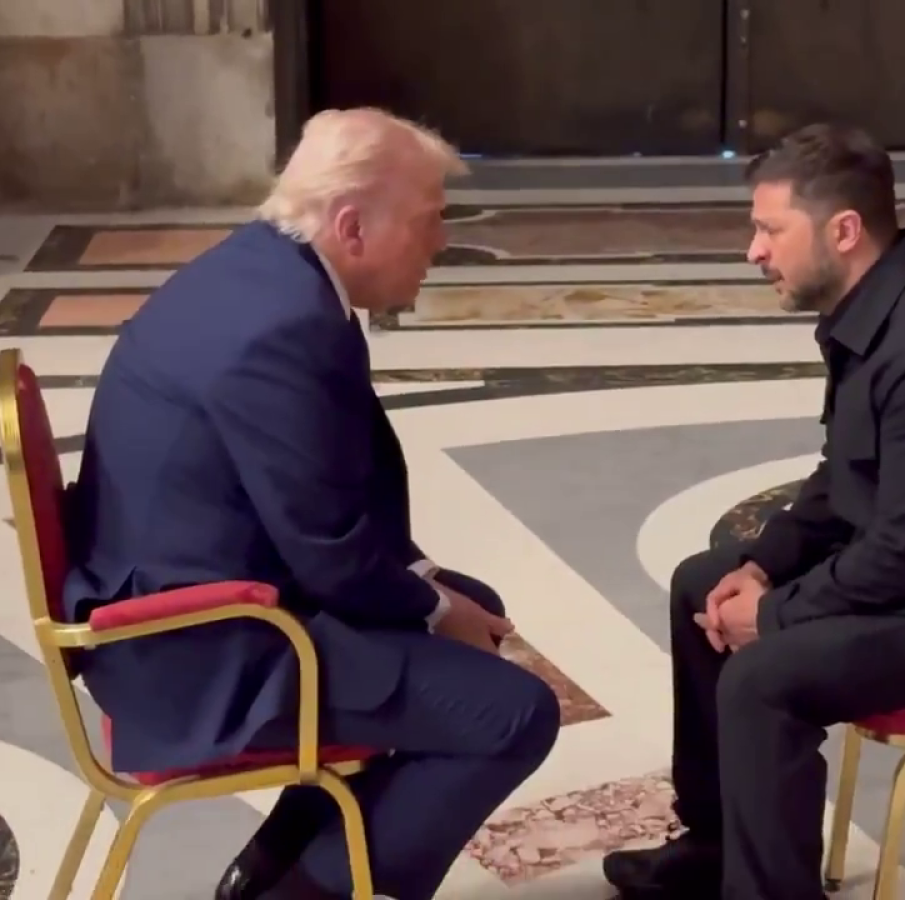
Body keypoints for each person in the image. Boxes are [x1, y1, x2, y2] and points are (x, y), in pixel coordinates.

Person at [63, 108, 561, 900]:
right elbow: (328, 549)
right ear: (352, 226)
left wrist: (429, 585)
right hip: (202, 646)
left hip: (201, 592)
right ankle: (316, 893)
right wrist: (433, 609)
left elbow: (321, 497)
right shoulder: (282, 326)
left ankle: (275, 865)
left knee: (473, 610)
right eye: (429, 221)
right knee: (514, 713)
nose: (441, 243)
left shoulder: (263, 273)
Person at [602, 123, 905, 900]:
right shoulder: (876, 313)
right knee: (702, 581)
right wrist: (763, 566)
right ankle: (716, 847)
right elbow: (844, 478)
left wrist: (775, 615)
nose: (753, 251)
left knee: (762, 678)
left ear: (844, 230)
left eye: (770, 230)